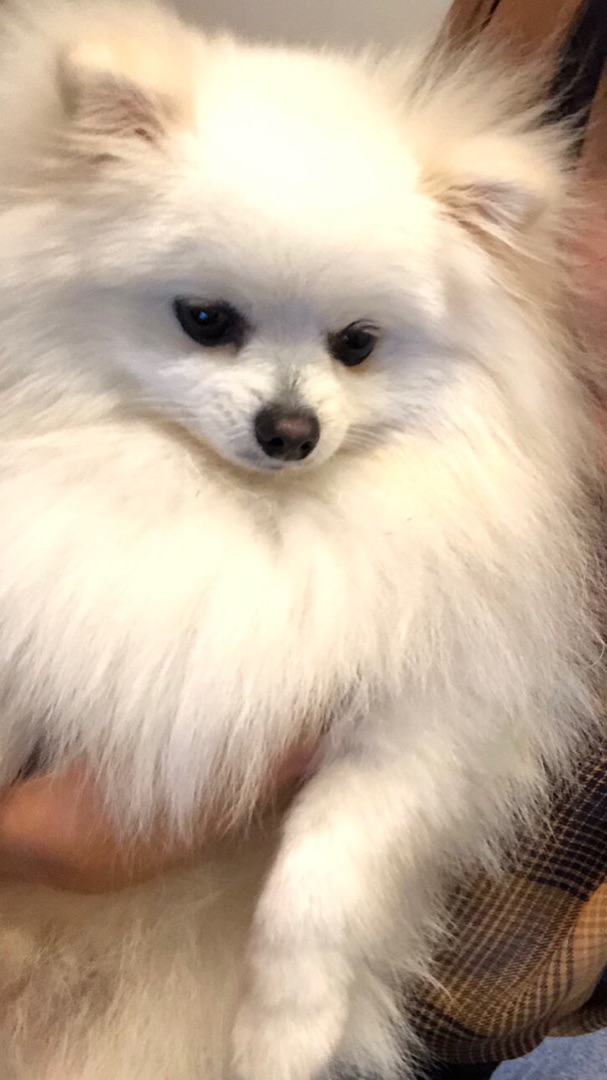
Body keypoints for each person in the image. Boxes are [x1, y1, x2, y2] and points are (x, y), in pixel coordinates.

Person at [0, 0, 604, 1076]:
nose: (291, 413)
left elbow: (442, 746)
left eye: (354, 345)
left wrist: (306, 950)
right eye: (209, 322)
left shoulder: (468, 529)